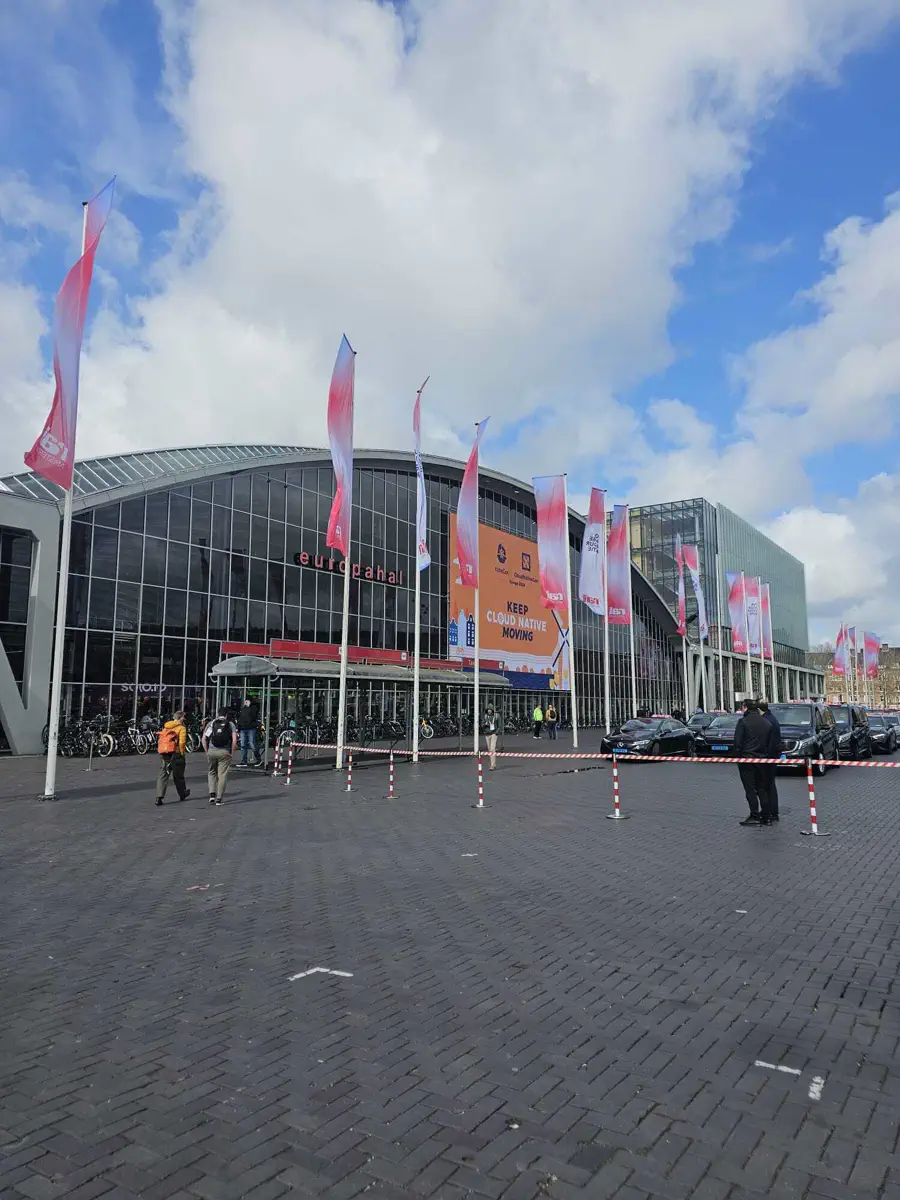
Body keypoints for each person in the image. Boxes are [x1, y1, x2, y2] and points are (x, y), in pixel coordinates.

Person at [733, 698, 780, 827]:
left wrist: (738, 758)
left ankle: (754, 815)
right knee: (762, 789)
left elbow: (737, 744)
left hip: (747, 760)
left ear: (746, 707)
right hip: (762, 760)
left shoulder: (743, 722)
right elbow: (771, 744)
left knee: (750, 789)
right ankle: (766, 817)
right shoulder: (767, 723)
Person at [203, 708, 238, 805]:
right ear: (226, 714)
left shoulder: (211, 723)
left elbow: (204, 739)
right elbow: (234, 740)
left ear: (218, 714)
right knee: (222, 774)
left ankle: (212, 796)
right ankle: (219, 798)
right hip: (224, 752)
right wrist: (231, 752)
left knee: (212, 772)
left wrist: (207, 751)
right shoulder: (230, 724)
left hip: (211, 751)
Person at [155, 711, 190, 807]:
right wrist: (182, 753)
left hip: (165, 753)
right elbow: (182, 742)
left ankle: (159, 797)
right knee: (178, 775)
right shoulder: (181, 728)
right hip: (176, 753)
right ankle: (182, 793)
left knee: (163, 774)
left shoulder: (166, 726)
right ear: (181, 718)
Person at [758, 698, 781, 821]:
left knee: (766, 785)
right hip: (772, 756)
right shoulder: (772, 718)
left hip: (767, 757)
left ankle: (769, 811)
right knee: (770, 784)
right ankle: (772, 811)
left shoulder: (766, 721)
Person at [237, 698, 260, 766]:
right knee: (243, 745)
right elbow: (240, 718)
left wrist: (249, 706)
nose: (245, 703)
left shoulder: (254, 708)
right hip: (243, 729)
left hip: (251, 728)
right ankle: (244, 761)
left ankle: (259, 759)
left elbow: (253, 716)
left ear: (250, 701)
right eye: (245, 701)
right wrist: (238, 728)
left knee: (252, 744)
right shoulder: (243, 709)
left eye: (246, 701)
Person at [483, 705, 500, 769]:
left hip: (494, 733)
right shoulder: (485, 716)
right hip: (487, 734)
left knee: (492, 749)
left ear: (493, 710)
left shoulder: (497, 716)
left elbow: (499, 725)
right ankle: (493, 764)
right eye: (488, 709)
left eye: (490, 709)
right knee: (489, 750)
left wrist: (496, 733)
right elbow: (482, 725)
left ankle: (492, 765)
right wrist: (485, 724)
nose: (489, 710)